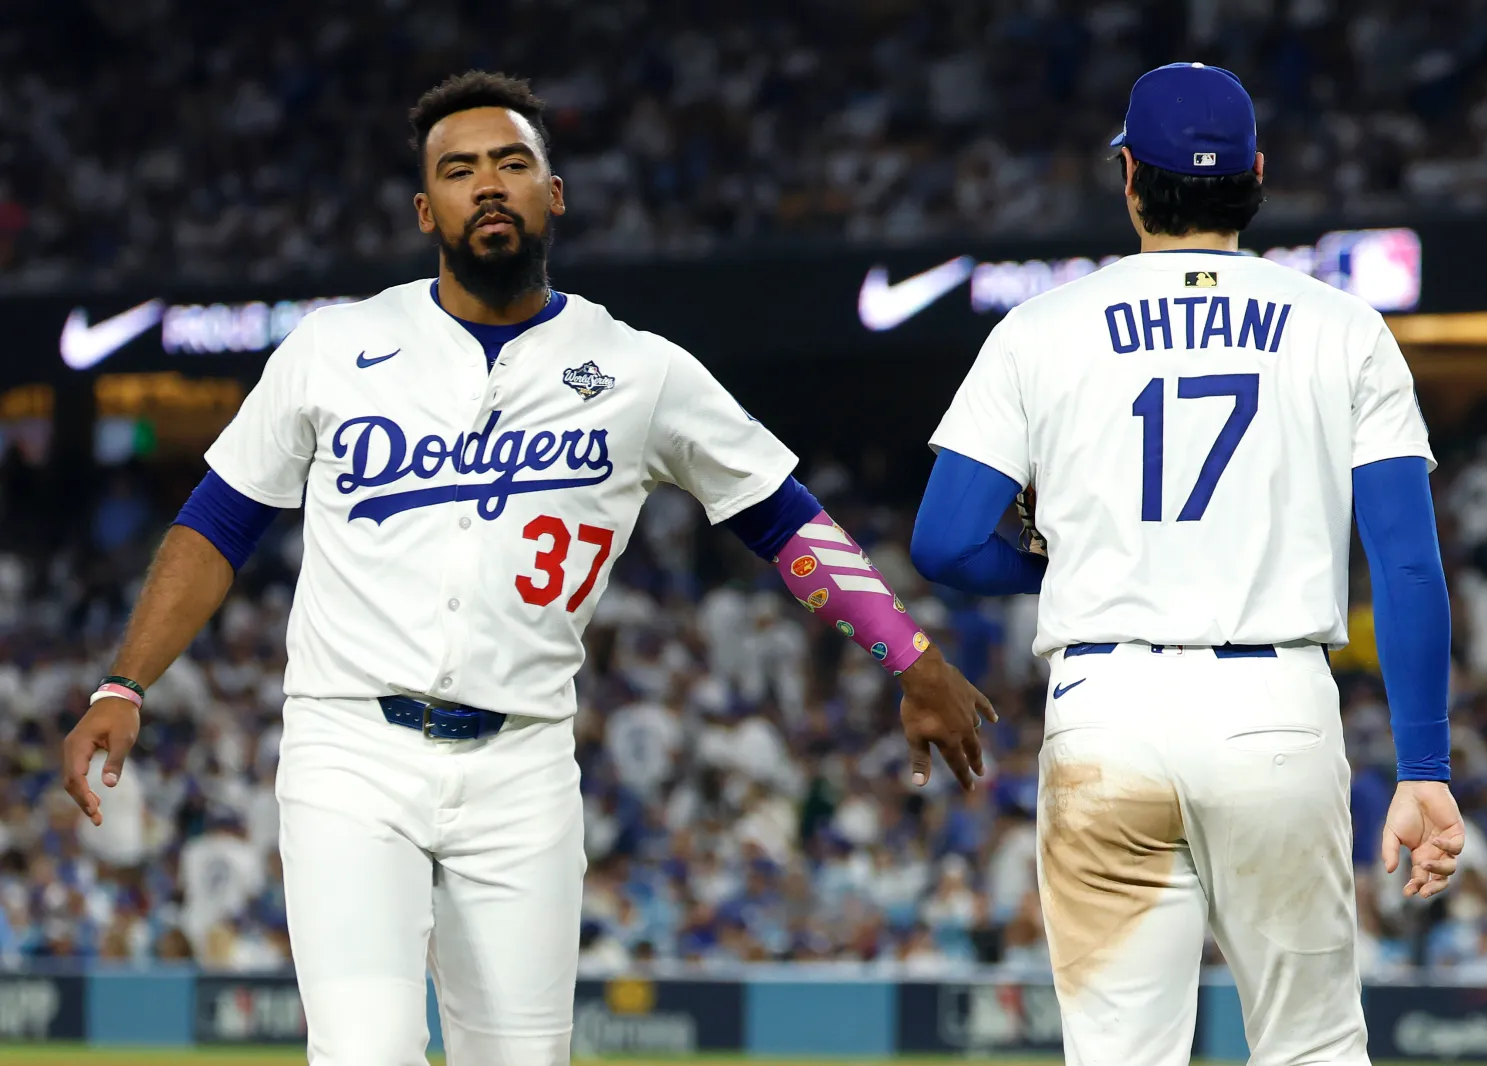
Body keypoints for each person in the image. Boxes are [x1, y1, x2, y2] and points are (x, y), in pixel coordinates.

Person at [60, 70, 993, 1066]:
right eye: (458, 171)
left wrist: (910, 654)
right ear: (428, 210)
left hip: (523, 763)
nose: (487, 185)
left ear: (556, 193)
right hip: (350, 751)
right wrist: (127, 679)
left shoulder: (641, 370)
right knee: (366, 1051)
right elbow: (216, 522)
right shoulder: (336, 346)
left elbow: (783, 519)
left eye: (512, 163)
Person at [909, 62, 1464, 1066]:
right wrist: (1423, 767)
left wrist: (1063, 569)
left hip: (1106, 706)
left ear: (1128, 176)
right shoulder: (1344, 327)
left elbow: (944, 540)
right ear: (1254, 175)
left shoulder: (1039, 328)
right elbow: (1408, 567)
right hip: (1273, 708)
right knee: (1312, 1048)